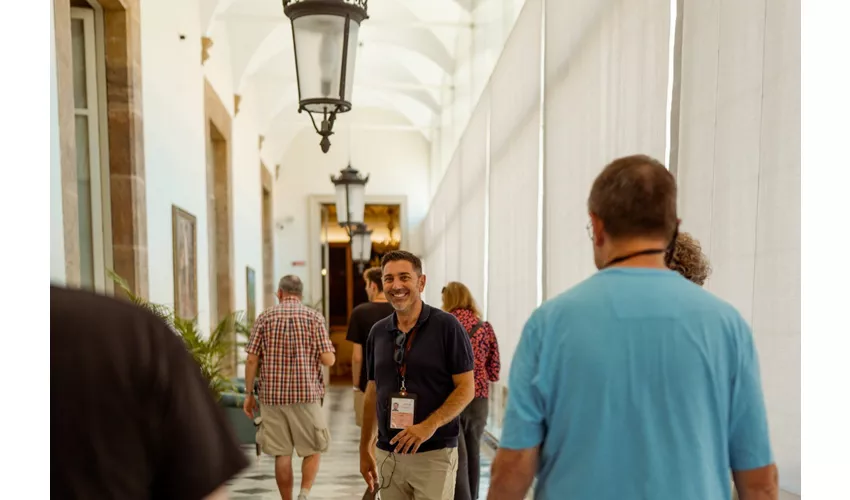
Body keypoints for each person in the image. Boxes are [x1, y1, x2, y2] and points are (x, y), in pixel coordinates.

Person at [488, 155, 778, 500]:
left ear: (596, 226)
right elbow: (759, 482)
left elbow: (515, 464)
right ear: (673, 227)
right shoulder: (727, 327)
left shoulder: (549, 324)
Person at [51, 286, 248, 499]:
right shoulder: (131, 331)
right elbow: (203, 487)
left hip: (274, 396)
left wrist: (252, 393)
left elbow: (253, 357)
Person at [359, 250, 476, 500]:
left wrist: (428, 426)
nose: (396, 285)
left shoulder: (447, 327)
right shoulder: (378, 333)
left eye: (404, 277)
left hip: (433, 454)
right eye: (389, 279)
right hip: (388, 454)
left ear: (421, 282)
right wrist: (364, 448)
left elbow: (466, 388)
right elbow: (372, 392)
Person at [243, 275, 336, 500]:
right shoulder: (314, 317)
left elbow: (252, 360)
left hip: (272, 398)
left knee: (281, 454)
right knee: (314, 449)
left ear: (280, 293)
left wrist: (248, 395)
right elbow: (328, 359)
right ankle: (303, 495)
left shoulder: (265, 317)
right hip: (306, 396)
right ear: (300, 294)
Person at [441, 282, 500, 500]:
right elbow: (494, 370)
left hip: (452, 396)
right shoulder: (485, 328)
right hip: (479, 398)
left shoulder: (444, 327)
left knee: (458, 453)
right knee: (474, 451)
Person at [348, 267, 395, 427]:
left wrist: (356, 385)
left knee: (368, 435)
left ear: (373, 286)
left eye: (366, 285)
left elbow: (357, 356)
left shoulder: (360, 312)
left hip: (367, 383)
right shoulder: (399, 311)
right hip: (396, 384)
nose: (366, 289)